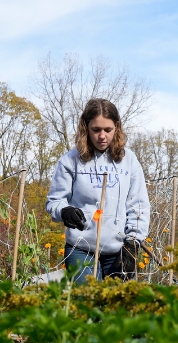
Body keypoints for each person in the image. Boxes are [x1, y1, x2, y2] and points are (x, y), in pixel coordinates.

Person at [46, 98, 150, 283]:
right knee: (85, 306)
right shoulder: (70, 161)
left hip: (118, 250)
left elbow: (138, 205)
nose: (102, 136)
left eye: (108, 130)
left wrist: (133, 243)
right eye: (96, 130)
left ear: (116, 127)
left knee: (116, 309)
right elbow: (54, 201)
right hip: (81, 247)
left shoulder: (129, 161)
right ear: (86, 128)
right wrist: (65, 211)